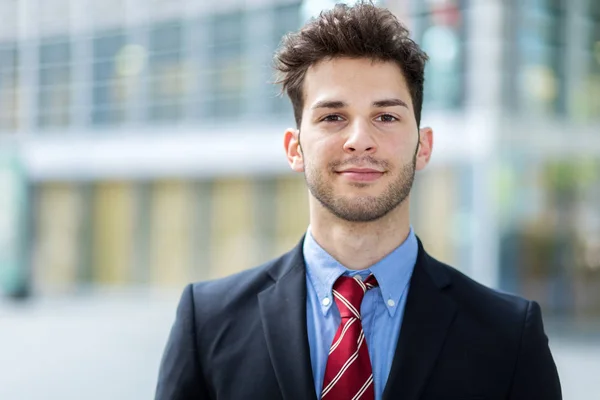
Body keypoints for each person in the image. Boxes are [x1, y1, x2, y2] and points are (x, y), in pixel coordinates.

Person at [155, 2, 562, 399]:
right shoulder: (206, 322)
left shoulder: (509, 336)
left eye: (386, 117)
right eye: (333, 117)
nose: (360, 140)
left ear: (423, 147)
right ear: (295, 148)